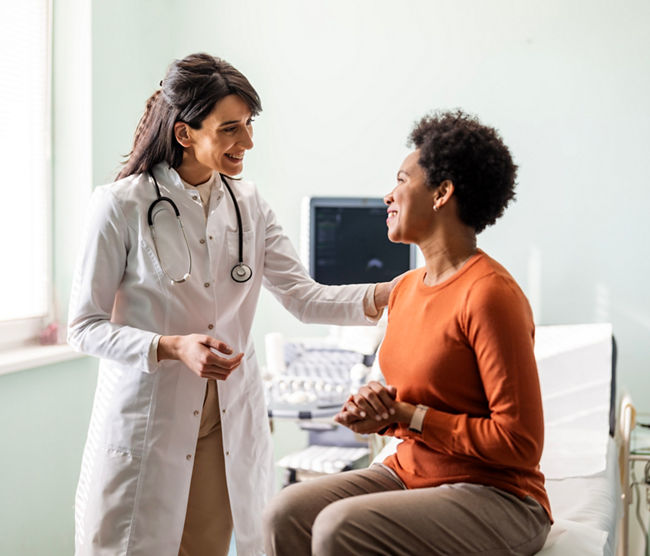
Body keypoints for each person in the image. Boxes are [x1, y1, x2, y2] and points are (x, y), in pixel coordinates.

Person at [67, 53, 395, 556]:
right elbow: (84, 327)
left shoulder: (249, 204)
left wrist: (395, 292)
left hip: (223, 423)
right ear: (184, 134)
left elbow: (305, 299)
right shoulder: (120, 206)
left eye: (248, 125)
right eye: (230, 129)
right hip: (150, 421)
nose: (247, 142)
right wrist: (172, 346)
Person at [263, 110, 553, 556]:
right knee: (284, 513)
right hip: (411, 472)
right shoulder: (405, 290)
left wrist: (408, 415)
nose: (388, 195)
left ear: (442, 193)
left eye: (401, 180)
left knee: (339, 528)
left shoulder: (490, 295)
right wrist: (380, 409)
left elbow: (520, 444)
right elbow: (416, 395)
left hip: (498, 494)